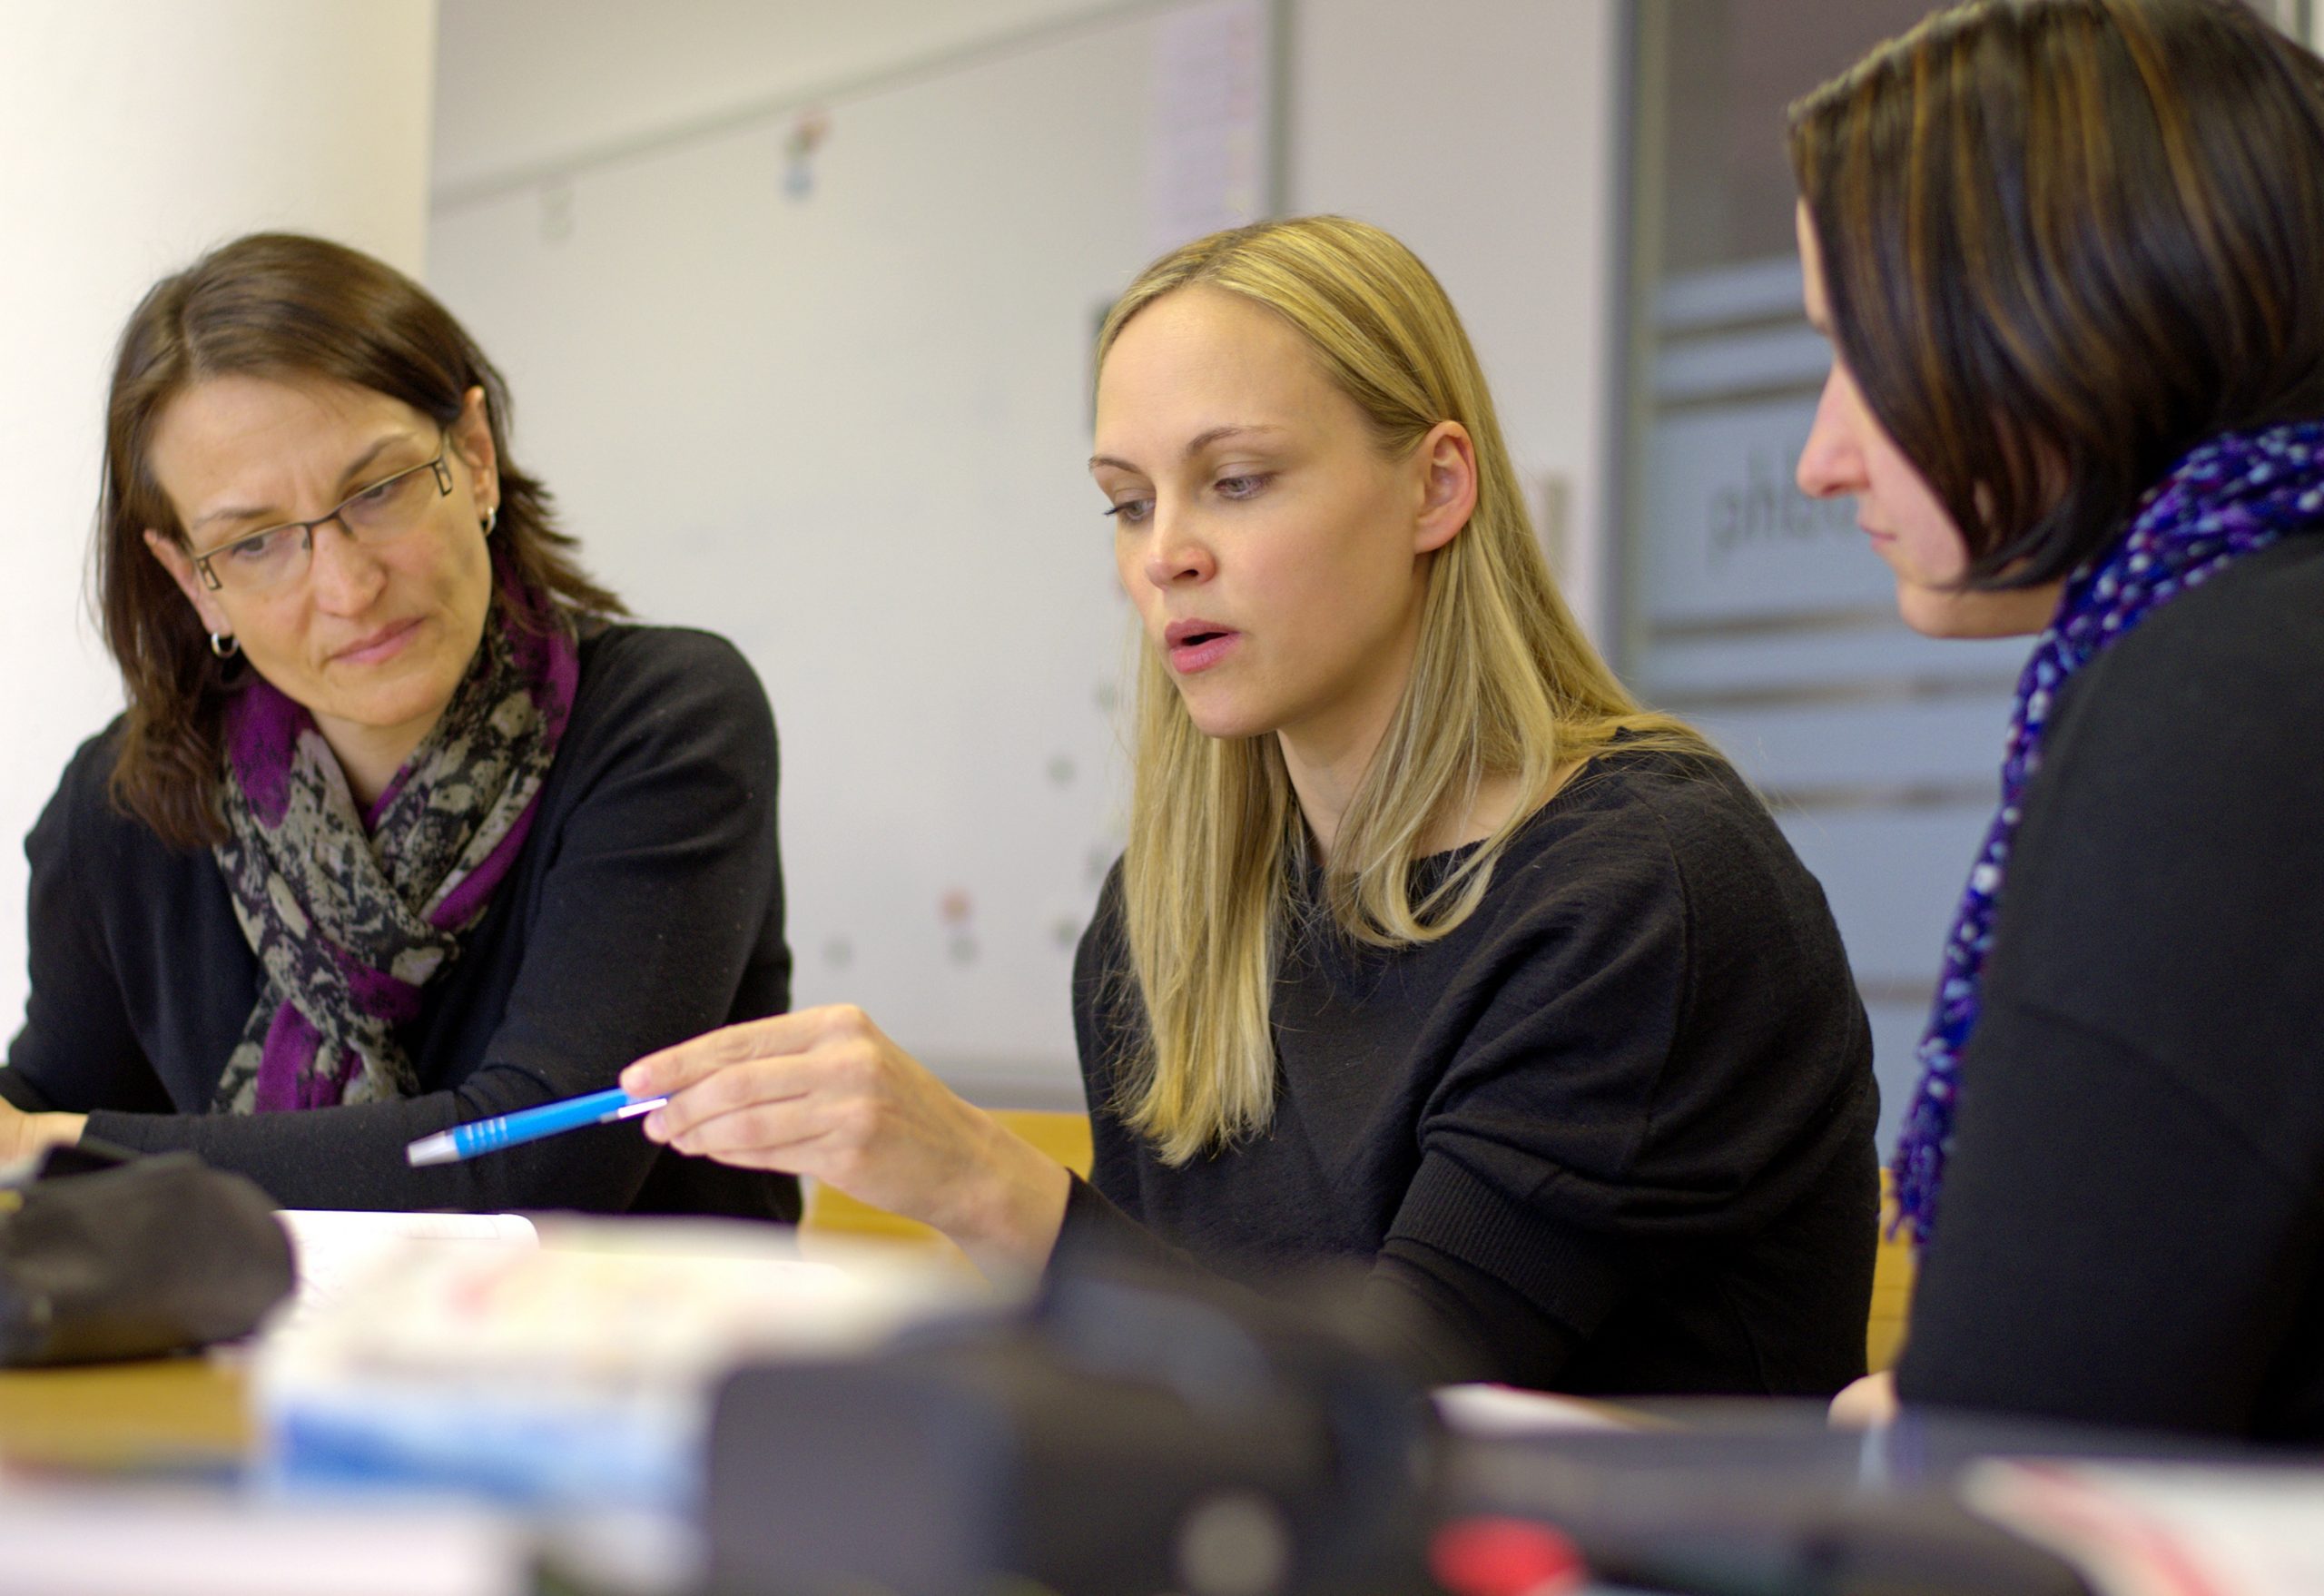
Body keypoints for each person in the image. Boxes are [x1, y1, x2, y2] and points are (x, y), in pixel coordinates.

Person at [624, 215, 1880, 1394]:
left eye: (1235, 480)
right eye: (1128, 500)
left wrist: (983, 1183)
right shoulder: (1164, 917)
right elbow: (1166, 1396)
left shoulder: (1646, 888)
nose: (1164, 551)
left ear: (1437, 489)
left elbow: (1395, 1410)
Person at [0, 232, 795, 1222]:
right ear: (189, 580)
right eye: (254, 543)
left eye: (376, 491)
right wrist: (33, 1132)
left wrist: (65, 1148)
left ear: (473, 455)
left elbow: (540, 1164)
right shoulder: (118, 803)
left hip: (640, 1362)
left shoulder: (665, 717)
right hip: (240, 1369)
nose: (348, 587)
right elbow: (46, 1102)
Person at [1792, 0, 2324, 1439]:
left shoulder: (2228, 696)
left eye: (1865, 353)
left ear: (2065, 316)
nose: (1820, 458)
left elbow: (2018, 1424)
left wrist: (1899, 1423)